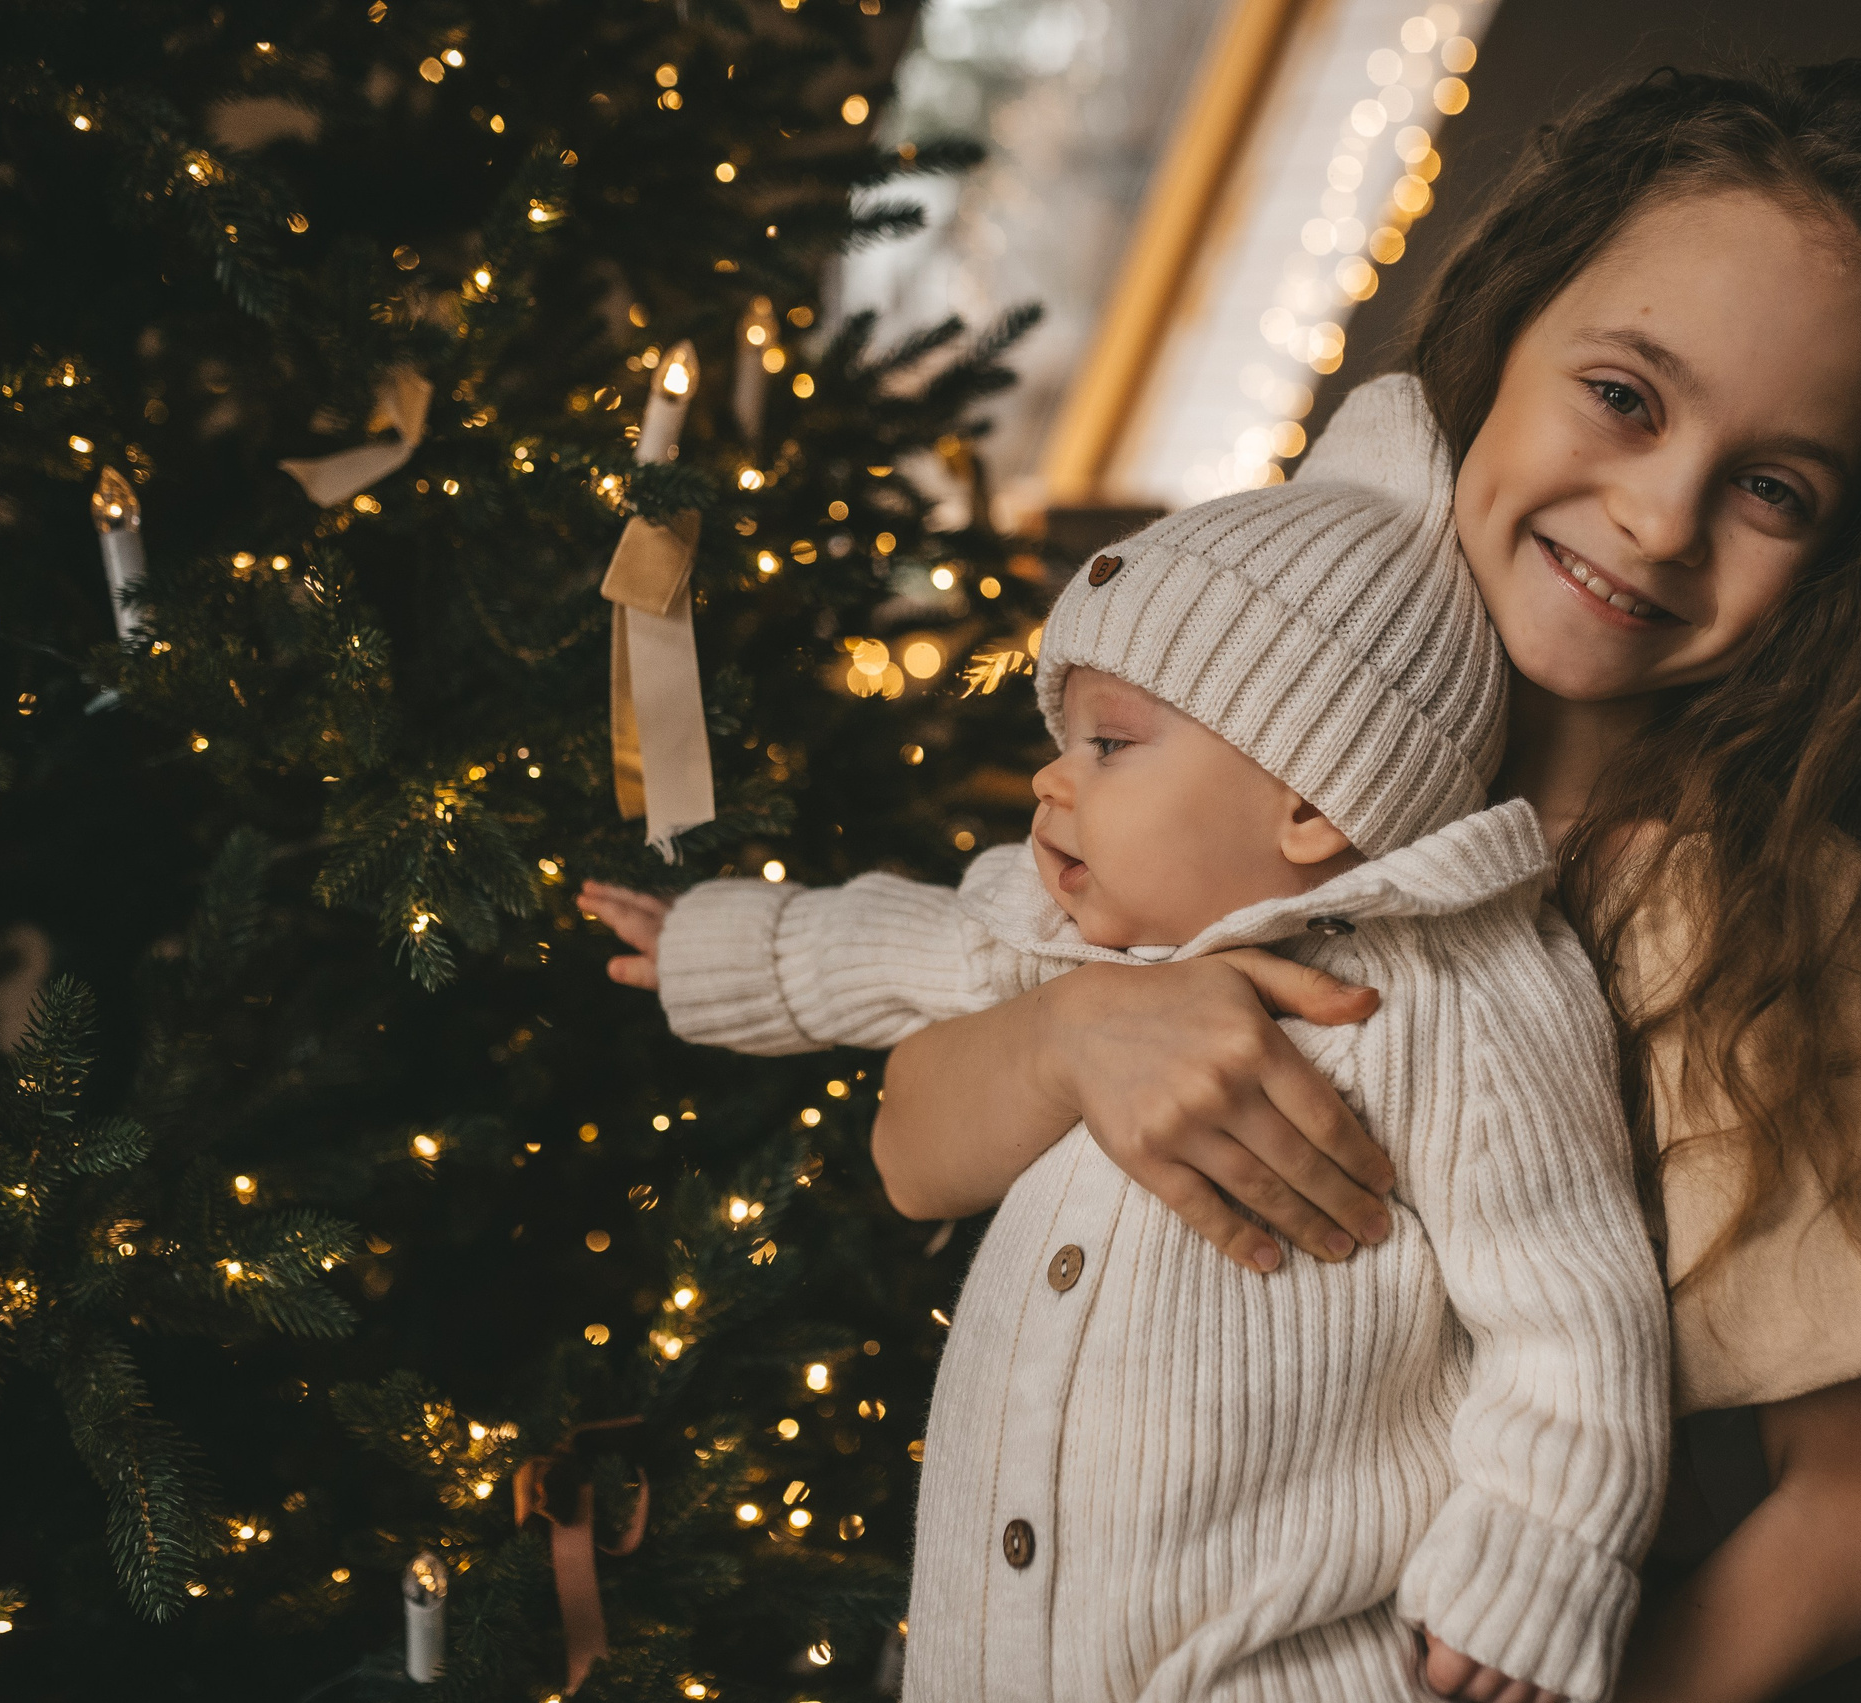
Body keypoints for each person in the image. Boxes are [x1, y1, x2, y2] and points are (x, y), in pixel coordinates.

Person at [853, 62, 1861, 1703]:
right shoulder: (1258, 701)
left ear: (1850, 559)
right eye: (1627, 396)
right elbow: (910, 1150)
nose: (1660, 520)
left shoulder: (1770, 940)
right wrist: (1083, 1036)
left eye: (1775, 487)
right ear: (1501, 340)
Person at [586, 380, 1669, 1703]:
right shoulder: (1060, 924)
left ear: (1310, 805)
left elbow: (1573, 1315)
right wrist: (717, 946)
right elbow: (905, 943)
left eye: (1110, 744)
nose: (1050, 779)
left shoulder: (1459, 995)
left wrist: (1528, 1570)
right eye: (1063, 738)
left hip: (1278, 1669)